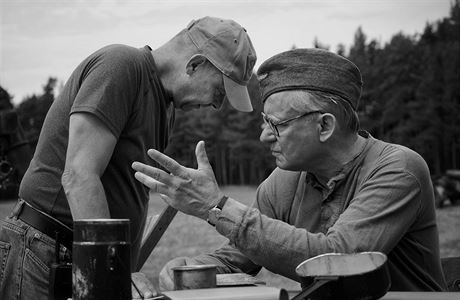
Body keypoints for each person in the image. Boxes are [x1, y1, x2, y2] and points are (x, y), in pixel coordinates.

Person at [131, 48, 447, 292]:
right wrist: (187, 267)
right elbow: (238, 258)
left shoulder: (398, 170)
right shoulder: (284, 182)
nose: (264, 136)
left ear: (325, 126)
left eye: (276, 124)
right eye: (263, 123)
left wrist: (218, 207)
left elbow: (338, 260)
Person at [0, 16, 257, 299]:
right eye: (219, 90)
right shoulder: (120, 66)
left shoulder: (164, 104)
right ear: (194, 65)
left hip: (80, 254)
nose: (217, 105)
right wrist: (110, 272)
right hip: (46, 252)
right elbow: (79, 175)